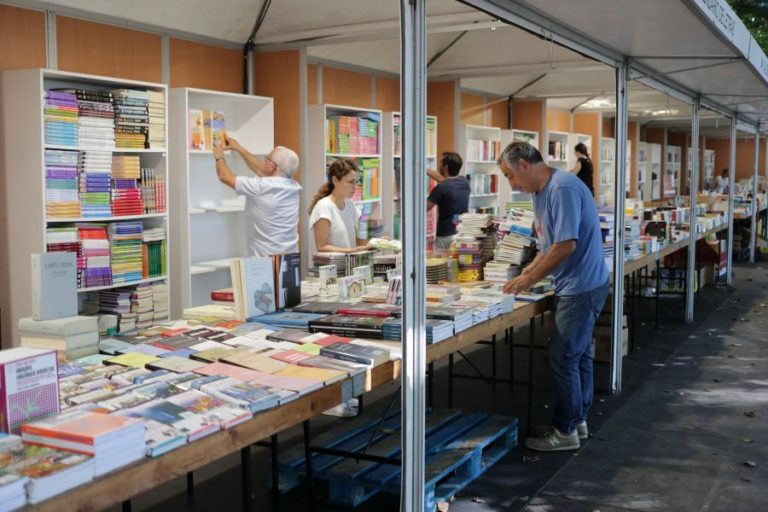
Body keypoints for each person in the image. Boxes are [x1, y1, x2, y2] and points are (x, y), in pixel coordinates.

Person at [499, 142, 609, 452]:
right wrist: (526, 273)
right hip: (576, 285)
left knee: (563, 358)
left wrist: (530, 278)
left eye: (510, 175)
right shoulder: (541, 193)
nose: (512, 184)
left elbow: (566, 246)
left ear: (524, 165)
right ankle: (578, 421)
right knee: (579, 356)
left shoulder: (561, 188)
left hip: (582, 287)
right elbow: (549, 245)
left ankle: (564, 431)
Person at [213, 138, 301, 256]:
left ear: (273, 167)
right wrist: (239, 149)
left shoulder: (260, 187)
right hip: (290, 257)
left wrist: (219, 157)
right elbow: (262, 170)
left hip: (265, 263)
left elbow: (224, 176)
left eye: (267, 159)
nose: (264, 161)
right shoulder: (293, 187)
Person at [308, 158, 370, 254]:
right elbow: (322, 247)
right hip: (330, 267)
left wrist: (375, 243)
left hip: (349, 265)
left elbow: (358, 241)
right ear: (335, 180)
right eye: (350, 182)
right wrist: (350, 251)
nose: (355, 187)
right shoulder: (324, 207)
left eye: (356, 182)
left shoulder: (350, 205)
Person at [426, 152, 470, 250]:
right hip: (461, 233)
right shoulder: (464, 182)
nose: (438, 165)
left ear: (445, 167)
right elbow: (444, 180)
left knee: (443, 263)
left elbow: (424, 208)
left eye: (440, 162)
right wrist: (424, 169)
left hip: (445, 237)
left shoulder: (441, 188)